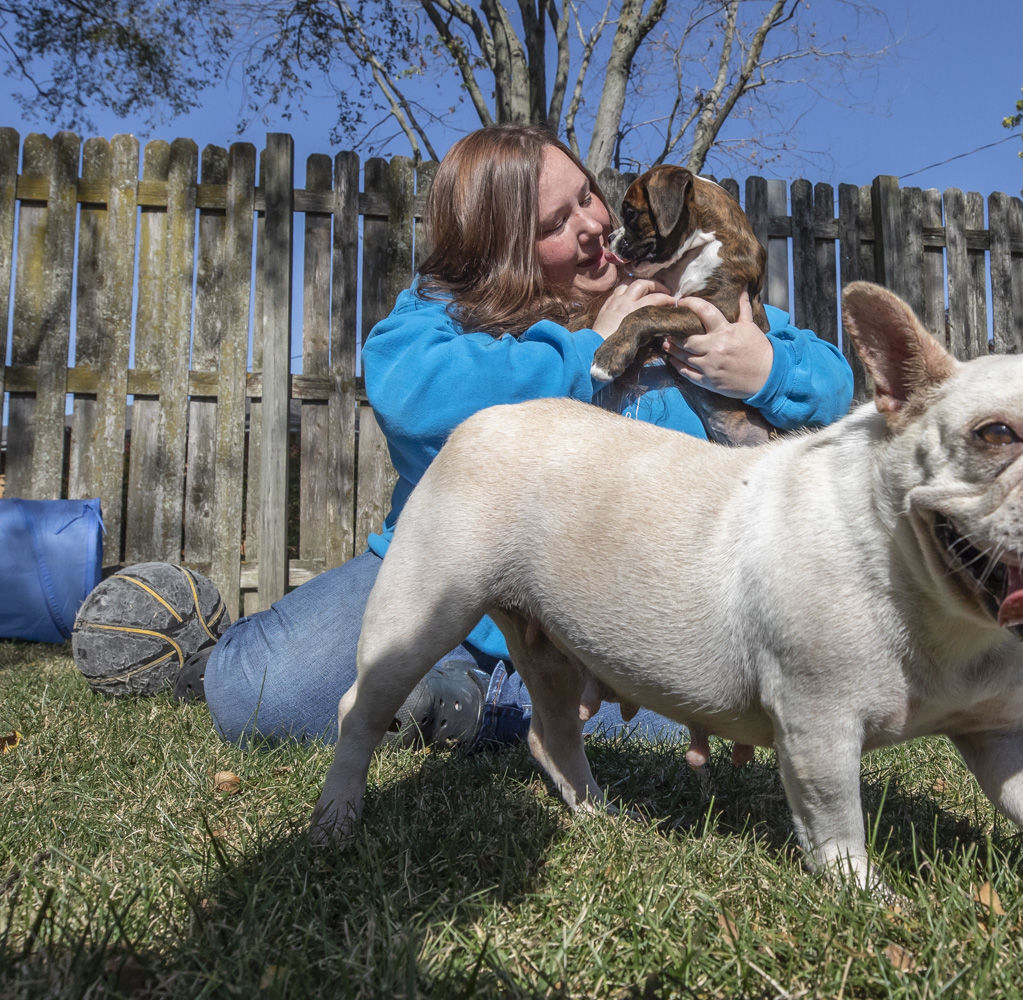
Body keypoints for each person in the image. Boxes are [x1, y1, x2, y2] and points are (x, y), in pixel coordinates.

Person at [196, 124, 855, 750]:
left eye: (587, 196)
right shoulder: (448, 310)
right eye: (555, 224)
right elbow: (417, 399)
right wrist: (588, 350)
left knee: (743, 707)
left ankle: (473, 710)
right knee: (256, 689)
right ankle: (183, 628)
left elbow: (830, 381)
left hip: (616, 607)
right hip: (447, 580)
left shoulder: (677, 293)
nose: (595, 225)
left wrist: (765, 370)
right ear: (503, 249)